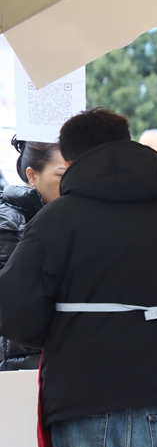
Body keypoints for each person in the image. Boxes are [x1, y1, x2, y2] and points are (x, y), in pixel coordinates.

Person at [0, 108, 157, 447]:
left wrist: (70, 333)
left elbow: (15, 313)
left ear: (70, 158)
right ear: (126, 143)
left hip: (81, 395)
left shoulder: (53, 221)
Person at [0, 137, 66, 371]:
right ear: (32, 175)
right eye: (61, 175)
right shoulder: (7, 223)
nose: (71, 184)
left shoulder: (74, 219)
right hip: (20, 372)